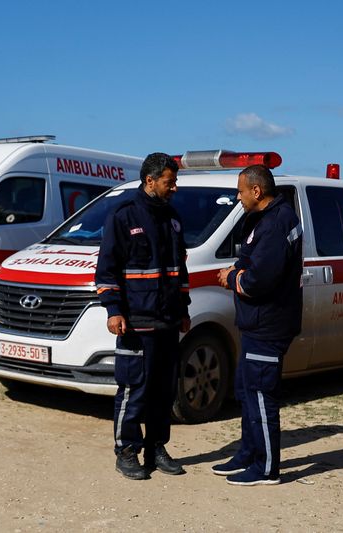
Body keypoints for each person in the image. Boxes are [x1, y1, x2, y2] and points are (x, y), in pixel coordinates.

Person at [95, 152, 191, 480]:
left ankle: (156, 448)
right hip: (135, 320)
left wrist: (184, 309)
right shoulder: (123, 216)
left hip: (167, 320)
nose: (174, 188)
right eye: (169, 182)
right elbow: (106, 269)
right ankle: (126, 451)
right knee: (134, 387)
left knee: (163, 390)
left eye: (174, 182)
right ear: (150, 181)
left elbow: (181, 270)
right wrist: (113, 311)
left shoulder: (173, 218)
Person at [215, 164, 303, 486]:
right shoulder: (265, 220)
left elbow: (258, 280)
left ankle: (266, 468)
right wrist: (238, 270)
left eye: (240, 191)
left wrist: (232, 278)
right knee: (246, 390)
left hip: (268, 325)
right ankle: (248, 453)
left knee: (262, 395)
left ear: (256, 190)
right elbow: (252, 261)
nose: (237, 198)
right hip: (255, 325)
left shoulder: (277, 223)